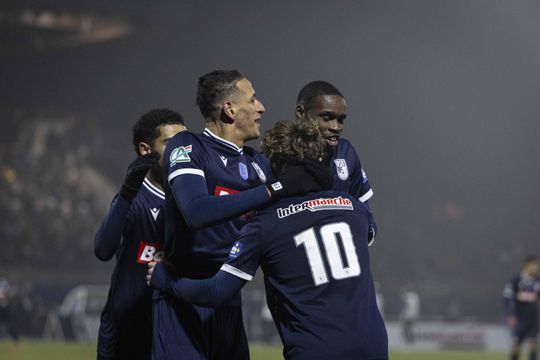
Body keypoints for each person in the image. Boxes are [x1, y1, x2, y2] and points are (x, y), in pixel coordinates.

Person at [148, 119, 388, 360]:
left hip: (315, 349)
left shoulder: (265, 223)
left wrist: (165, 280)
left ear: (274, 165)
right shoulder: (355, 209)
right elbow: (369, 232)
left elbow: (217, 291)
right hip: (373, 347)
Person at [154, 70, 329, 360]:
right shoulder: (188, 147)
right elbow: (196, 212)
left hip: (227, 300)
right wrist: (273, 190)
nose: (261, 107)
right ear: (230, 109)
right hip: (181, 301)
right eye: (253, 99)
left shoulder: (258, 163)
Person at [94, 109, 186, 360]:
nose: (182, 150)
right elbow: (102, 250)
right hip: (127, 327)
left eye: (185, 142)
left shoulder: (196, 197)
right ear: (146, 150)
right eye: (170, 143)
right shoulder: (134, 198)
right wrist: (125, 194)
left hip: (175, 327)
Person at [295, 81, 377, 243]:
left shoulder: (346, 152)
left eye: (341, 120)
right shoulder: (279, 155)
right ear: (301, 113)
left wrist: (365, 232)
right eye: (327, 118)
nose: (336, 127)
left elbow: (366, 213)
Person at [503, 256, 540, 360]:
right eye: (535, 265)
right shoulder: (516, 281)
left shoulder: (537, 281)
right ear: (527, 265)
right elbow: (506, 298)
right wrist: (510, 315)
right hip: (519, 318)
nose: (537, 267)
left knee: (534, 344)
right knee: (516, 345)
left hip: (533, 318)